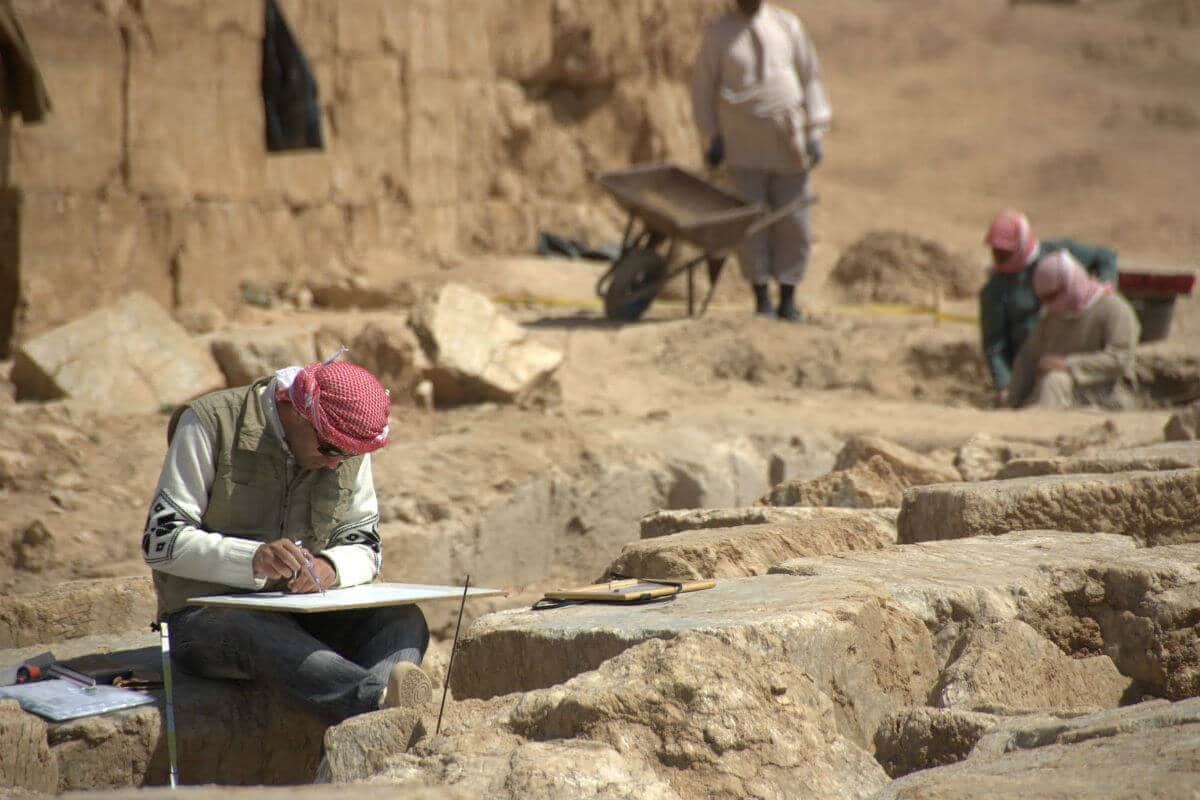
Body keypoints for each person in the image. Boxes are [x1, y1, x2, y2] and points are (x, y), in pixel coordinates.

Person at [141, 351, 432, 724]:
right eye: (328, 449)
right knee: (252, 630)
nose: (336, 463)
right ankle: (376, 702)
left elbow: (366, 543)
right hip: (208, 619)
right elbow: (161, 540)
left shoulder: (343, 445)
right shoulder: (210, 423)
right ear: (293, 409)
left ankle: (379, 707)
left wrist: (330, 566)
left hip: (301, 612)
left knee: (402, 620)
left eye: (347, 455)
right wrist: (253, 558)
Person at [690, 0, 831, 322]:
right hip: (741, 145)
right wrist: (712, 137)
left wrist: (815, 132)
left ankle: (788, 297)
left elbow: (810, 77)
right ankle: (761, 298)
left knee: (794, 222)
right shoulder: (719, 34)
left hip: (787, 144)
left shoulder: (787, 25)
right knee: (751, 224)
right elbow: (703, 88)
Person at [980, 211, 1120, 404]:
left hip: (1080, 352)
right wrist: (1006, 385)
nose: (999, 257)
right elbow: (995, 344)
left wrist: (1106, 286)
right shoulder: (995, 290)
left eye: (1005, 252)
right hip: (1034, 366)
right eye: (996, 251)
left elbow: (1105, 257)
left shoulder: (1059, 255)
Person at [1006, 250, 1140, 410]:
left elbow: (1121, 359)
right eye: (1043, 299)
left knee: (1055, 380)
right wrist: (1011, 399)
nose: (1048, 305)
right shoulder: (1051, 318)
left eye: (1052, 297)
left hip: (1107, 395)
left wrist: (1068, 364)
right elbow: (1028, 358)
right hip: (1056, 393)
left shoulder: (1115, 310)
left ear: (1070, 283)